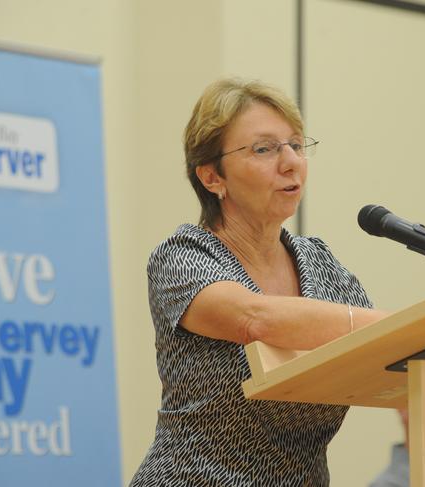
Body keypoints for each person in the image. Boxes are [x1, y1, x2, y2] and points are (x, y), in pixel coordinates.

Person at [130, 78, 385, 486]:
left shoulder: (321, 265)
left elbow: (381, 352)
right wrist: (415, 324)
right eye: (264, 149)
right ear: (213, 177)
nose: (290, 162)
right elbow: (255, 320)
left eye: (297, 145)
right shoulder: (183, 256)